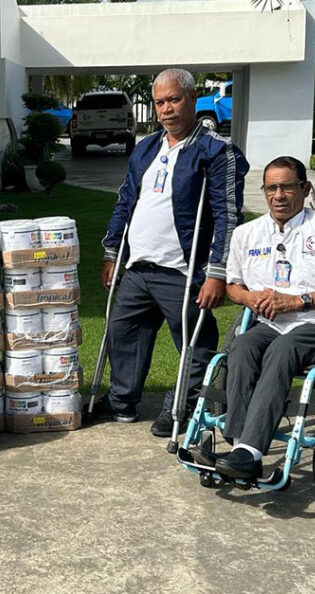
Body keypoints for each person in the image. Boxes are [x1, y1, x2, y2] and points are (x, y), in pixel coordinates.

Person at [99, 68, 248, 436]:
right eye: (160, 102)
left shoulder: (215, 151)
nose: (166, 109)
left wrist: (216, 271)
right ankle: (121, 402)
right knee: (123, 333)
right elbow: (125, 201)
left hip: (183, 268)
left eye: (174, 100)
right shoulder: (147, 147)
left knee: (194, 341)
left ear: (193, 99)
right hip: (138, 265)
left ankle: (182, 404)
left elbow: (227, 214)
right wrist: (112, 251)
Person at [205, 156, 315, 479]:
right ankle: (241, 445)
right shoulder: (246, 234)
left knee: (284, 348)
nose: (278, 195)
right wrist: (250, 297)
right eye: (271, 188)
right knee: (242, 345)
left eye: (286, 187)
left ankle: (249, 451)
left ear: (305, 189)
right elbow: (232, 287)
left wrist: (299, 301)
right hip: (270, 324)